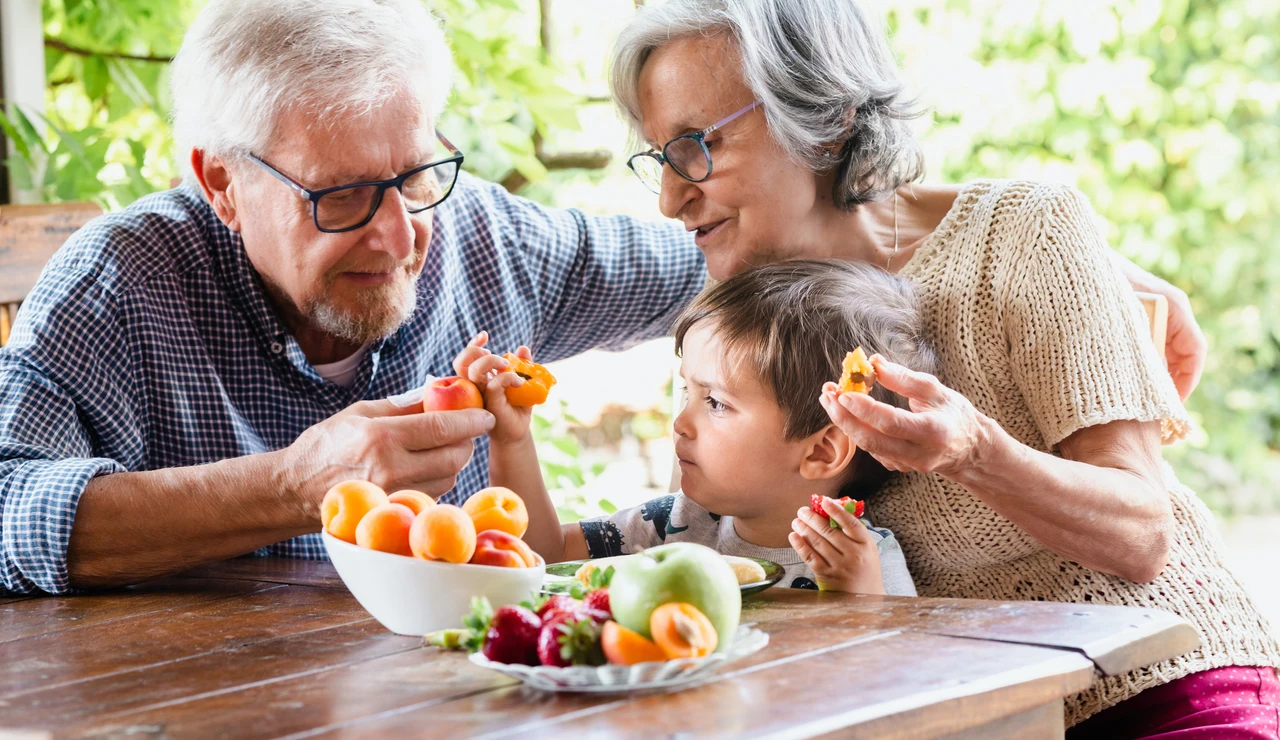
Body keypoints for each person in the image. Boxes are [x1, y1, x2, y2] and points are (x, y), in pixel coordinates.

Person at [609, 0, 1279, 734]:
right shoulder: (739, 310)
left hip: (1152, 683)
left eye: (696, 146)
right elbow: (710, 542)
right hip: (964, 714)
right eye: (659, 158)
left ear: (828, 118)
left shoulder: (1022, 234)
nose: (673, 197)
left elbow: (1143, 536)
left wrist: (974, 453)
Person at [0, 0, 706, 595]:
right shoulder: (119, 283)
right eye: (343, 196)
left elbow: (714, 264)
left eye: (417, 175)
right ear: (221, 183)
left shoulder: (491, 242)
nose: (400, 236)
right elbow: (8, 509)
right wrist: (291, 486)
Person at [456, 260, 930, 595]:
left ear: (822, 451)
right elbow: (545, 554)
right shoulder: (678, 524)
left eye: (716, 402)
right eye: (688, 393)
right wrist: (512, 438)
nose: (681, 422)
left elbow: (894, 682)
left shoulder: (862, 560)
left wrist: (862, 600)